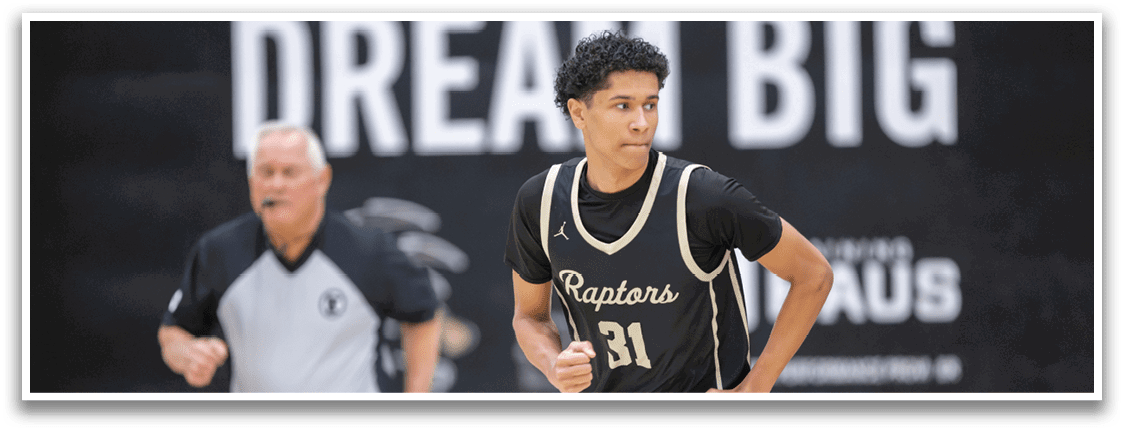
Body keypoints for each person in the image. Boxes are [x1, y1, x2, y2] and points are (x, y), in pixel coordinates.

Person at [506, 30, 834, 393]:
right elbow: (529, 317)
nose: (642, 122)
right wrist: (554, 366)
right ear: (578, 112)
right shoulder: (541, 200)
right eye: (623, 105)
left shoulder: (702, 196)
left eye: (651, 104)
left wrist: (756, 387)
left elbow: (813, 274)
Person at [158, 121, 443, 392]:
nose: (276, 185)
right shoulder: (219, 252)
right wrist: (187, 355)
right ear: (251, 181)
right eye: (265, 172)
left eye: (289, 172)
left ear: (322, 180)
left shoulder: (368, 252)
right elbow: (174, 331)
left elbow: (424, 314)